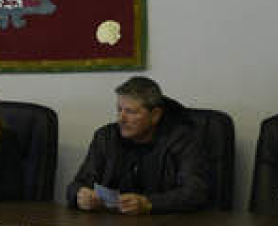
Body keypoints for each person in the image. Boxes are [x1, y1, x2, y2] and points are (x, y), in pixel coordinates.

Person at [68, 76, 210, 215]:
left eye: (130, 111)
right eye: (119, 109)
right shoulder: (106, 137)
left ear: (155, 115)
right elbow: (76, 185)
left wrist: (148, 203)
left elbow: (195, 193)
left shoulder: (182, 139)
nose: (121, 119)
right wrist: (80, 195)